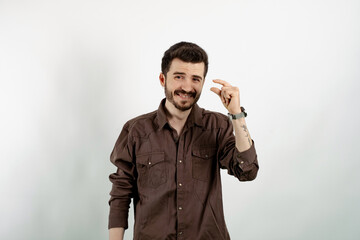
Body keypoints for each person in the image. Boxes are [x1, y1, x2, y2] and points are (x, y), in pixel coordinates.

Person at [108, 41, 259, 240]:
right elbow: (121, 193)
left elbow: (247, 171)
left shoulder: (218, 125)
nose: (187, 87)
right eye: (179, 77)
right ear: (163, 79)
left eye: (196, 79)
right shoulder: (136, 130)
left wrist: (236, 115)